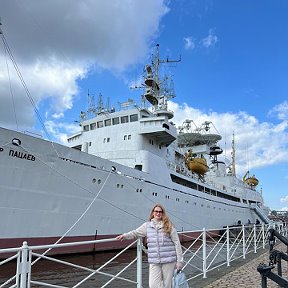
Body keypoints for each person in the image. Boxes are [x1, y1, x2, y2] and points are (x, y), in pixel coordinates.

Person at [116, 203, 183, 288]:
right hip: (154, 260)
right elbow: (136, 233)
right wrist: (125, 236)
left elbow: (177, 244)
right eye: (156, 211)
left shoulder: (169, 226)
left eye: (160, 212)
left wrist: (179, 261)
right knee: (153, 285)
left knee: (167, 284)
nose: (158, 213)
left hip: (169, 260)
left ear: (163, 213)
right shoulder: (147, 226)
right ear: (152, 213)